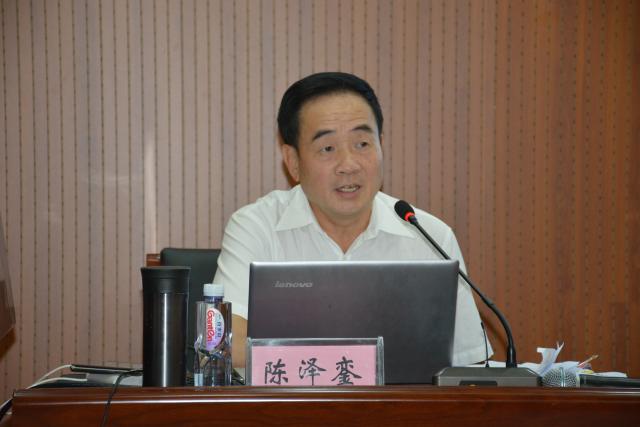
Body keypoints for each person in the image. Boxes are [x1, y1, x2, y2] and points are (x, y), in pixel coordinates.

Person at [213, 72, 492, 369]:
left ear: (381, 145)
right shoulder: (257, 227)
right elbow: (222, 343)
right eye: (328, 148)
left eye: (362, 144)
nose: (349, 165)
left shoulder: (429, 236)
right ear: (293, 162)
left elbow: (470, 364)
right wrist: (354, 361)